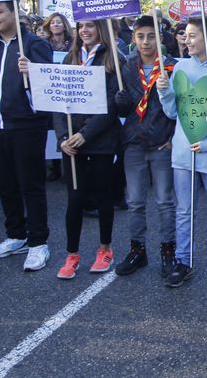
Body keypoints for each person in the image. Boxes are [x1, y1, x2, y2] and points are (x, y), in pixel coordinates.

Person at [157, 14, 207, 289]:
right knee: (184, 210)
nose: (185, 39)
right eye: (184, 34)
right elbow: (171, 112)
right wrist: (164, 92)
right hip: (183, 152)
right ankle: (183, 260)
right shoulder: (179, 67)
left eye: (192, 35)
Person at [0, 1, 54, 271]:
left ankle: (38, 242)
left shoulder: (35, 44)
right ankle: (16, 235)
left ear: (14, 14)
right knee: (4, 184)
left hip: (26, 126)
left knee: (30, 185)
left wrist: (33, 72)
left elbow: (49, 86)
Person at [53, 20, 121, 279]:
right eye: (80, 26)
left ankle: (105, 248)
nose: (84, 31)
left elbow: (112, 104)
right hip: (72, 145)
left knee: (104, 197)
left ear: (101, 29)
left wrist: (85, 134)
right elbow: (56, 100)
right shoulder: (70, 58)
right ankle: (72, 254)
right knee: (75, 199)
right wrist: (62, 137)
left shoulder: (112, 59)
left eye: (90, 26)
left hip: (100, 141)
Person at [113, 16, 178, 278]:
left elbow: (180, 106)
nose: (146, 42)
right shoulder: (126, 67)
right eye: (140, 37)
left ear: (160, 38)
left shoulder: (173, 67)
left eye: (151, 36)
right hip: (134, 143)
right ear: (133, 39)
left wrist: (173, 136)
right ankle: (137, 250)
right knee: (136, 201)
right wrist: (119, 102)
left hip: (161, 143)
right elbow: (124, 108)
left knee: (164, 201)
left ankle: (168, 251)